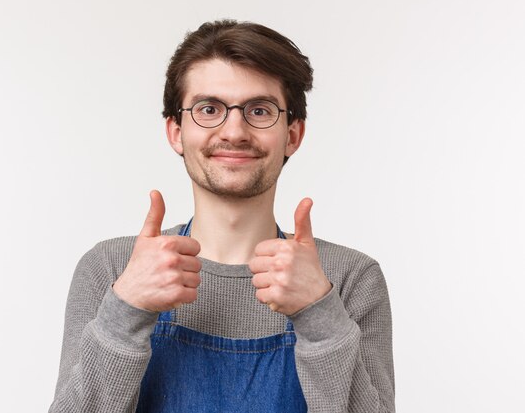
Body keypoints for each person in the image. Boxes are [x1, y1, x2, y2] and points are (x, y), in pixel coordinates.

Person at [49, 20, 395, 413]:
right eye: (209, 109)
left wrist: (319, 313)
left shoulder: (350, 278)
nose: (234, 131)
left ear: (293, 134)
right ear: (176, 131)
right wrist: (127, 309)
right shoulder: (111, 269)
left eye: (260, 110)